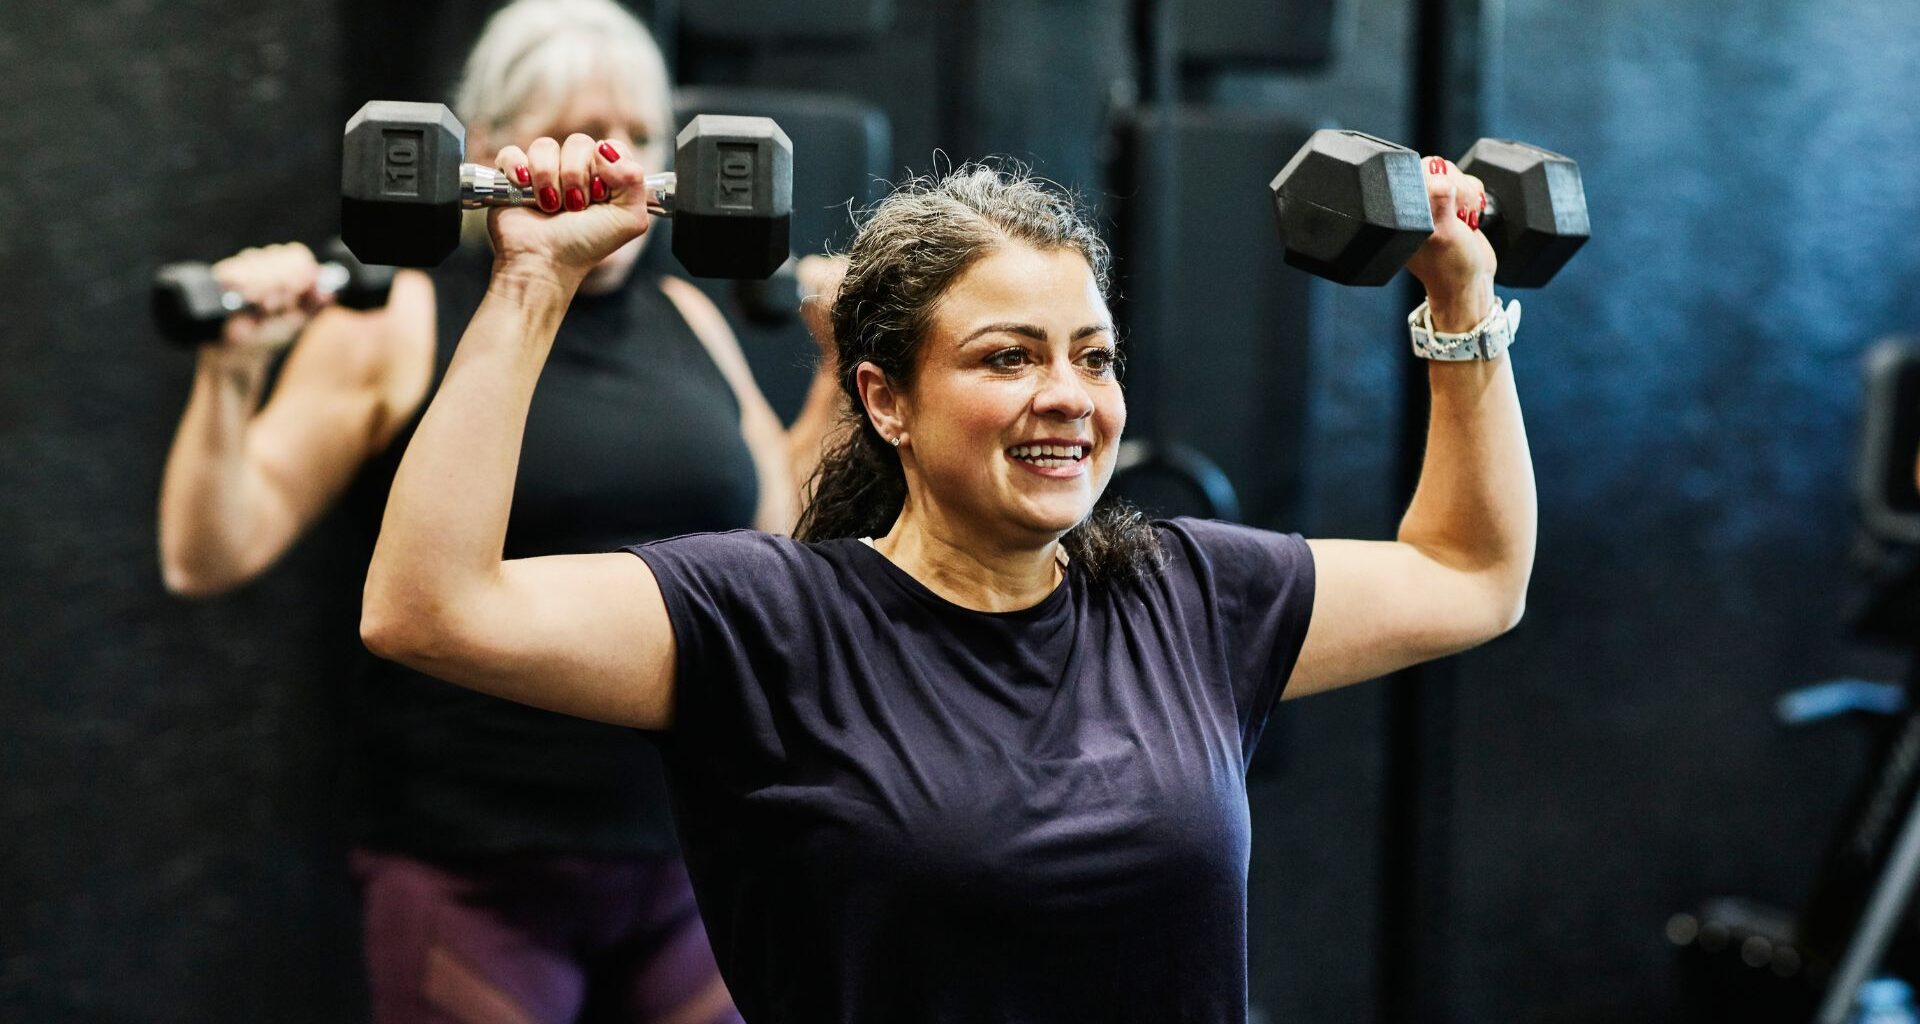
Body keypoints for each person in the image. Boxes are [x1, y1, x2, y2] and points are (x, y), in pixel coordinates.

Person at [359, 130, 1535, 1020]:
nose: (1067, 394)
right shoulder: (771, 624)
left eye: (1092, 355)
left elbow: (1472, 571)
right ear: (886, 400)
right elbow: (430, 608)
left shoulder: (1187, 599)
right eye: (1006, 358)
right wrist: (532, 284)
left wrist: (1459, 298)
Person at [156, 1, 843, 1020]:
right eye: (573, 134)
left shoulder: (690, 316)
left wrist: (837, 376)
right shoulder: (399, 319)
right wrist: (231, 371)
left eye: (642, 139)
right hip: (475, 861)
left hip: (685, 849)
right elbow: (209, 554)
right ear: (480, 152)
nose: (614, 164)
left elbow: (778, 539)